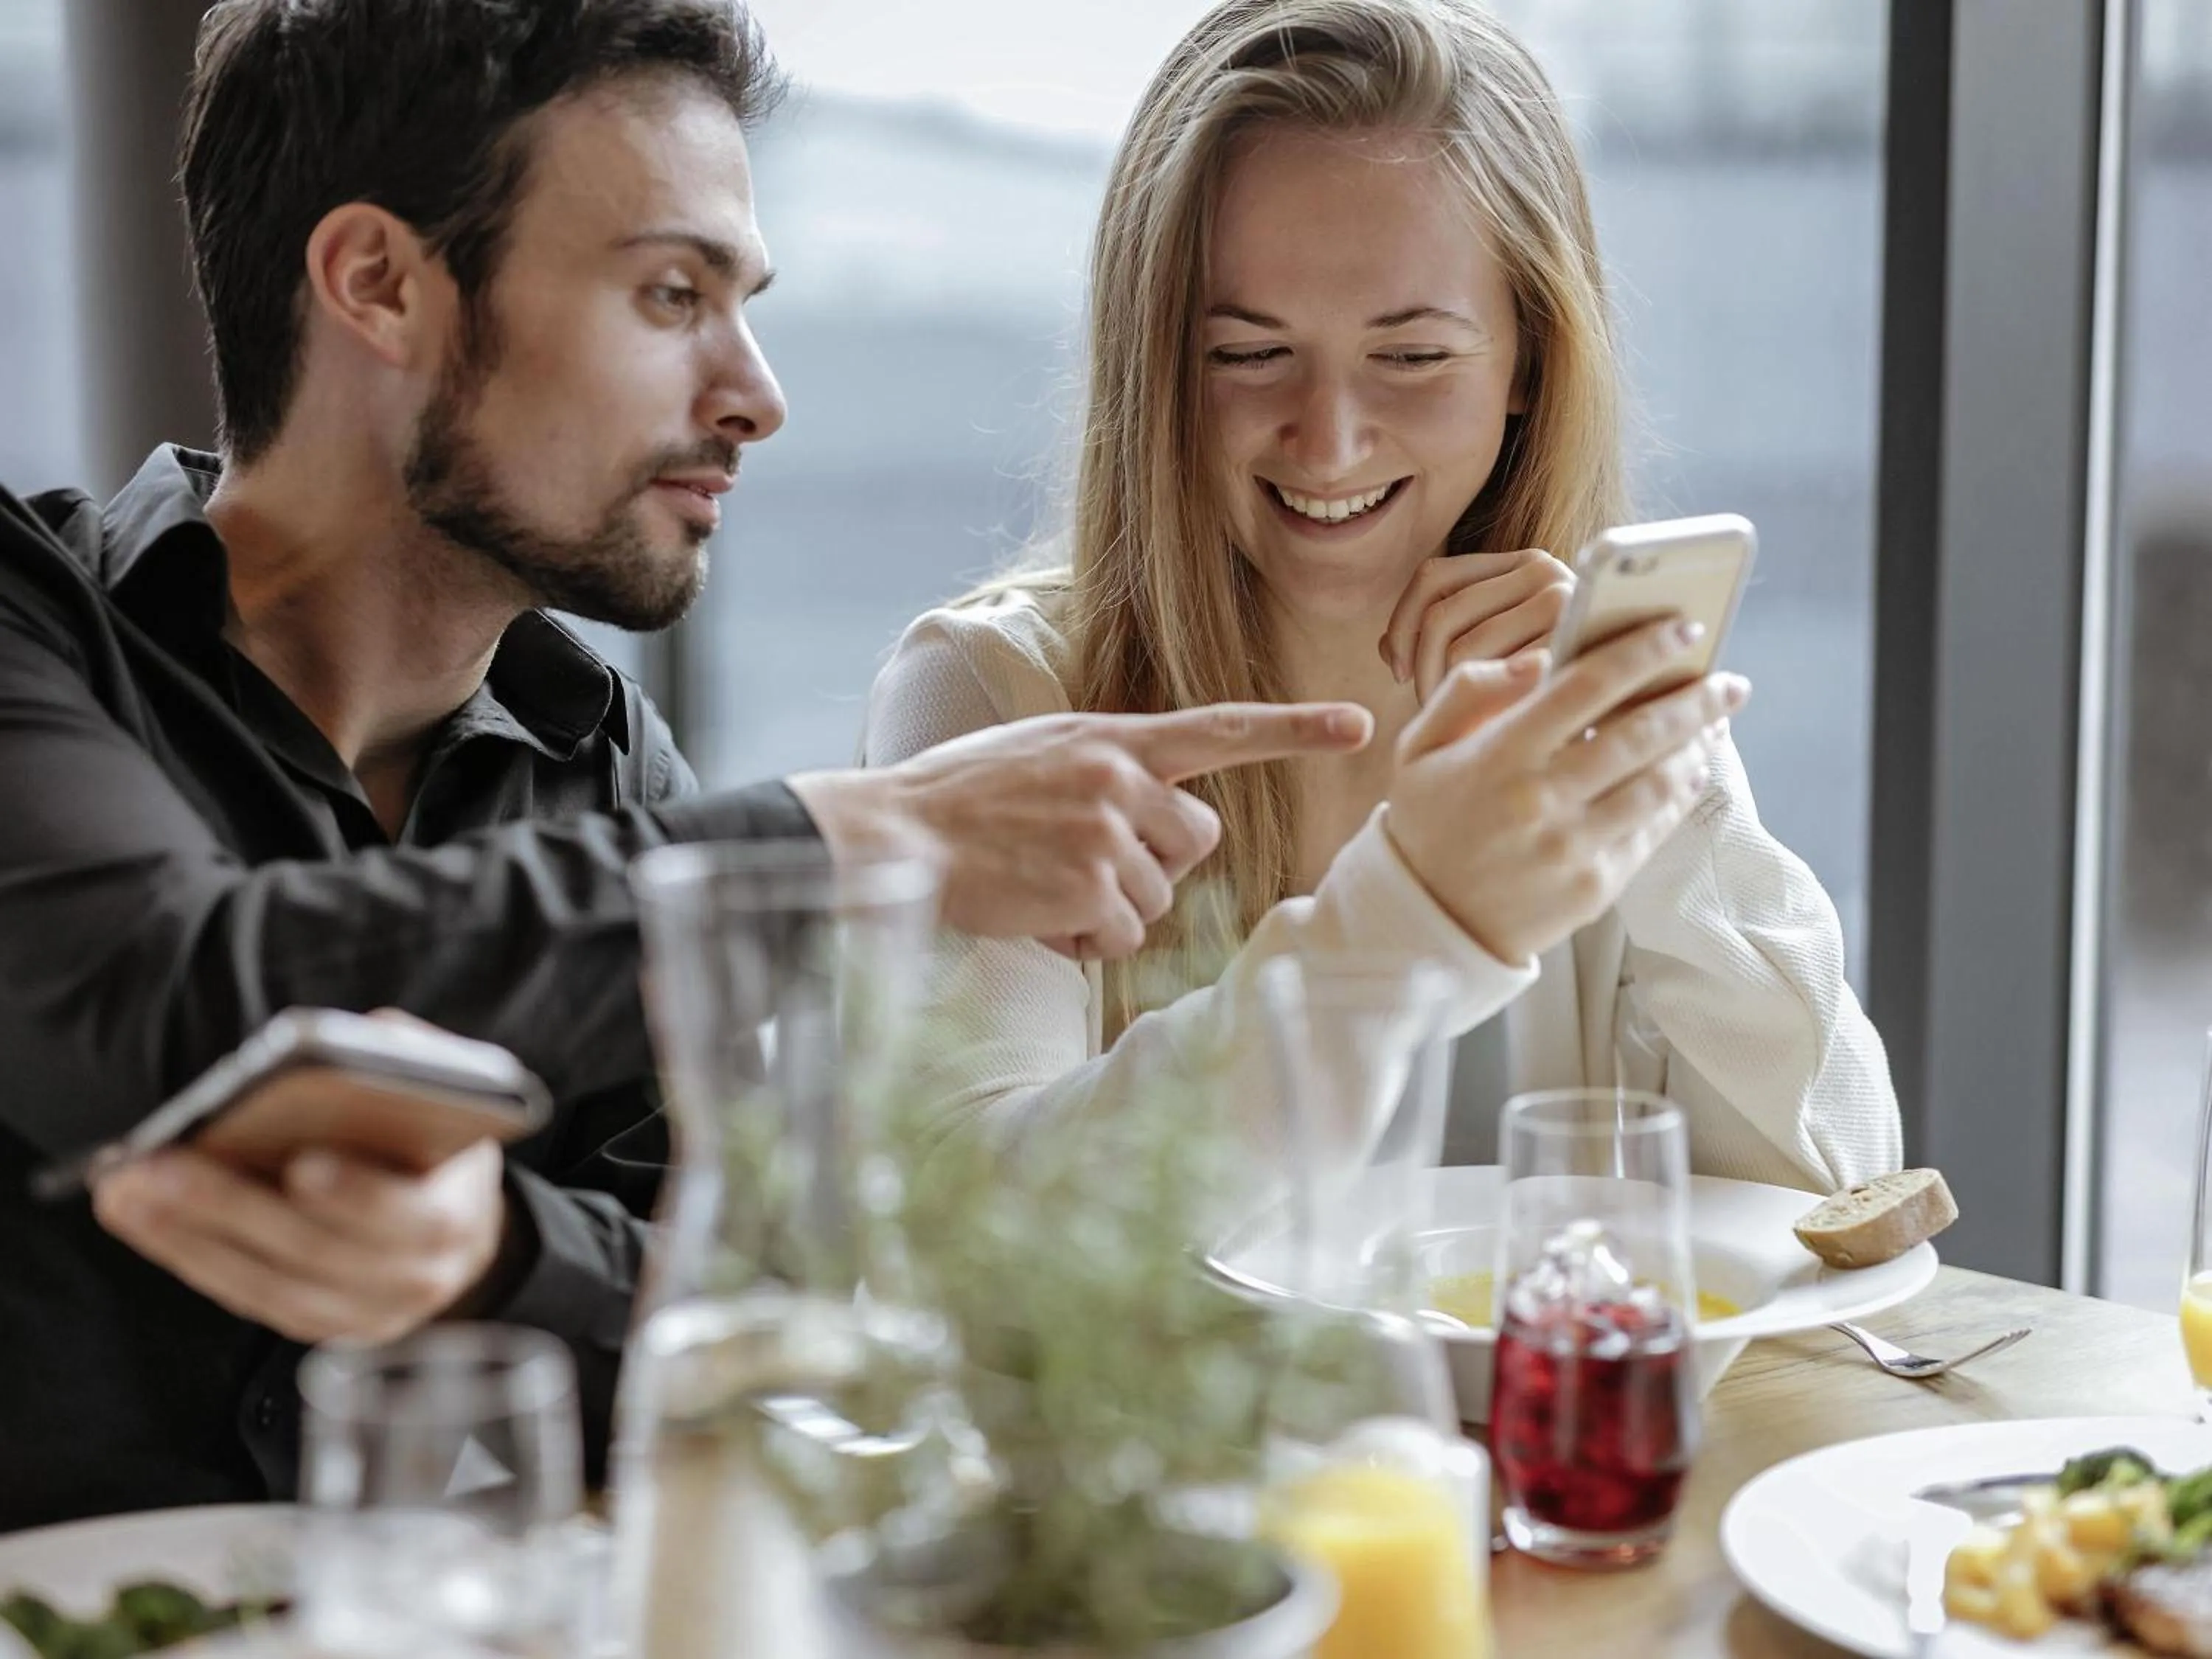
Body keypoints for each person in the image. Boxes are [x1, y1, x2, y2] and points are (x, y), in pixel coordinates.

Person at [0, 0, 1388, 1533]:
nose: (757, 396)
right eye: (673, 295)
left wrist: (494, 1255)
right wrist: (854, 843)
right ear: (381, 285)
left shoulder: (607, 771)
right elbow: (158, 994)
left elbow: (747, 1322)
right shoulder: (31, 629)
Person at [865, 0, 1902, 1188]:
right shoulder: (991, 691)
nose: (1329, 440)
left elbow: (1837, 1197)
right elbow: (961, 1240)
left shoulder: (1566, 702)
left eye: (1411, 356)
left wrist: (1667, 778)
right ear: (1157, 368)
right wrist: (1406, 924)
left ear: (1531, 363)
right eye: (1248, 353)